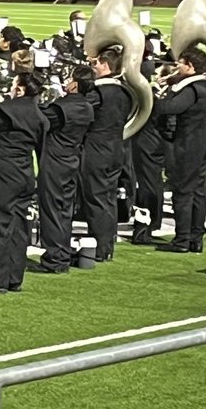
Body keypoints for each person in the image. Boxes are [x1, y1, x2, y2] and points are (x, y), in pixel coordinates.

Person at [0, 73, 48, 293]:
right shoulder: (39, 115)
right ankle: (14, 278)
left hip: (1, 174)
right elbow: (42, 150)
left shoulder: (7, 111)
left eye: (15, 84)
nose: (11, 88)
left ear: (22, 89)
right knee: (19, 228)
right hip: (25, 173)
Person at [30, 65, 94, 274]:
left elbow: (40, 120)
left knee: (51, 210)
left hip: (55, 162)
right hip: (72, 160)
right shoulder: (87, 106)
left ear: (75, 84)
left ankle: (54, 258)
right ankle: (62, 254)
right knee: (65, 210)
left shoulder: (63, 107)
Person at [155, 47, 206, 252]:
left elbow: (169, 108)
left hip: (186, 143)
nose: (176, 67)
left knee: (182, 191)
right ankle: (195, 238)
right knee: (198, 191)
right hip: (202, 141)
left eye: (180, 63)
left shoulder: (190, 89)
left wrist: (159, 94)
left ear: (190, 66)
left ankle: (182, 239)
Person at [80, 51, 132, 261]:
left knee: (96, 198)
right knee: (109, 197)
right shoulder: (126, 91)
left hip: (97, 149)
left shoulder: (98, 92)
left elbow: (83, 114)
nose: (93, 67)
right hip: (117, 147)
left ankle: (99, 247)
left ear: (105, 65)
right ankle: (108, 244)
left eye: (95, 63)